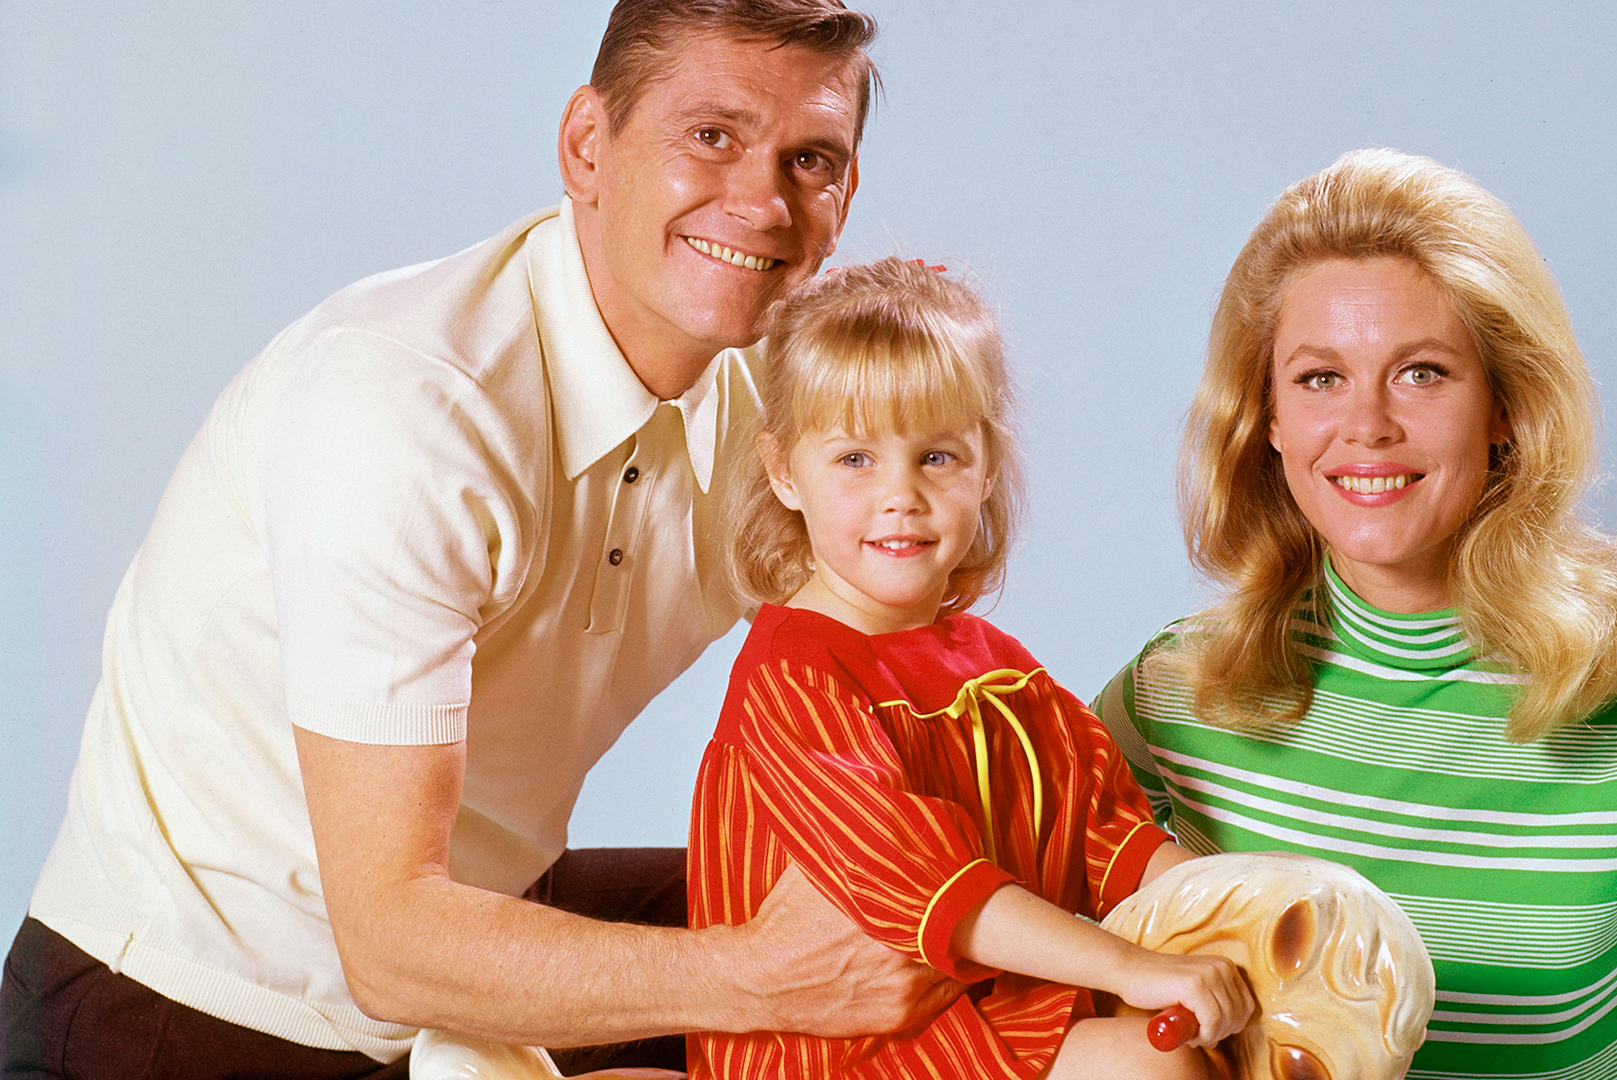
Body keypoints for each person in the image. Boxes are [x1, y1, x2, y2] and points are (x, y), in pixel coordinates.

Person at [1, 2, 957, 1076]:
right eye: (711, 135)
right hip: (184, 1016)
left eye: (811, 160)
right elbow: (390, 942)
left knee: (932, 921)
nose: (763, 202)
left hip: (465, 950)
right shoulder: (408, 405)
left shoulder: (774, 411)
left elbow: (921, 686)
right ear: (587, 146)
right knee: (816, 969)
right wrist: (763, 976)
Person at [1094, 149, 1617, 1080]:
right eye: (1320, 378)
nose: (1367, 425)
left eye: (1422, 373)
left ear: (1506, 407)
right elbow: (997, 994)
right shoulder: (1172, 696)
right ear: (1269, 419)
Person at [686, 258, 1255, 1079]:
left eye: (937, 456)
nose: (901, 495)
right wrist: (1131, 968)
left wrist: (1241, 916)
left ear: (987, 464)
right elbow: (934, 890)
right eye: (855, 459)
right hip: (853, 1045)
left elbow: (1111, 838)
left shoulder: (1000, 671)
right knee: (1150, 1064)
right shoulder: (794, 680)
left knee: (1217, 1033)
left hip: (988, 1010)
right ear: (783, 472)